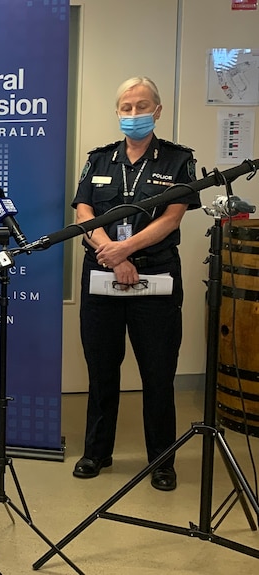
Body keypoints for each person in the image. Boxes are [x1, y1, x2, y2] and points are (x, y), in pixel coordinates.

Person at [71, 76, 200, 492]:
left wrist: (123, 253)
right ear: (117, 111)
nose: (133, 115)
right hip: (102, 276)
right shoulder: (99, 159)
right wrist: (110, 252)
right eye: (126, 108)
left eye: (141, 107)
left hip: (155, 276)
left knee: (158, 375)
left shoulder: (177, 160)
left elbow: (172, 217)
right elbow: (84, 212)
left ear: (157, 112)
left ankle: (162, 461)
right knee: (102, 372)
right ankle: (97, 452)